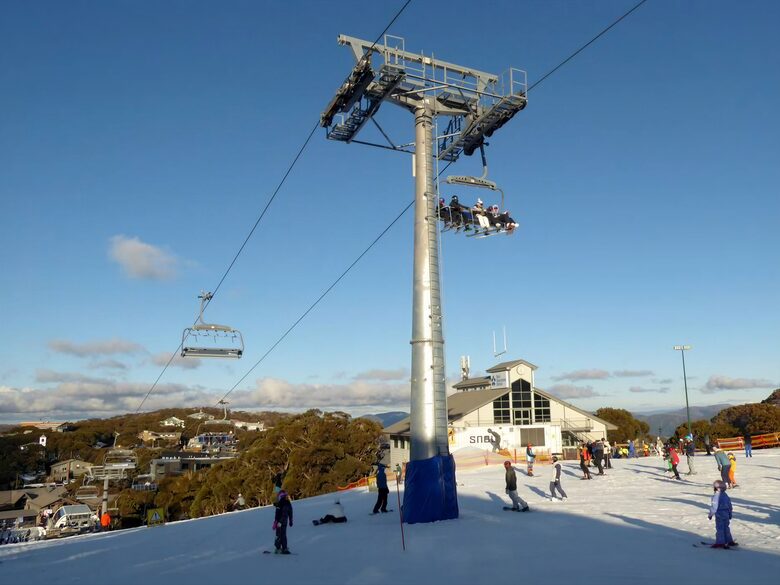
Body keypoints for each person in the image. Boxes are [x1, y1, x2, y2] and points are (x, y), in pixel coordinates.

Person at [708, 480, 736, 549]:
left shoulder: (716, 496)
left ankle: (720, 542)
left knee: (720, 528)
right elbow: (729, 505)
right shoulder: (725, 495)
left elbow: (714, 507)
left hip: (719, 514)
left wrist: (710, 514)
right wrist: (730, 514)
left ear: (716, 488)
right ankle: (729, 540)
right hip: (726, 513)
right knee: (726, 527)